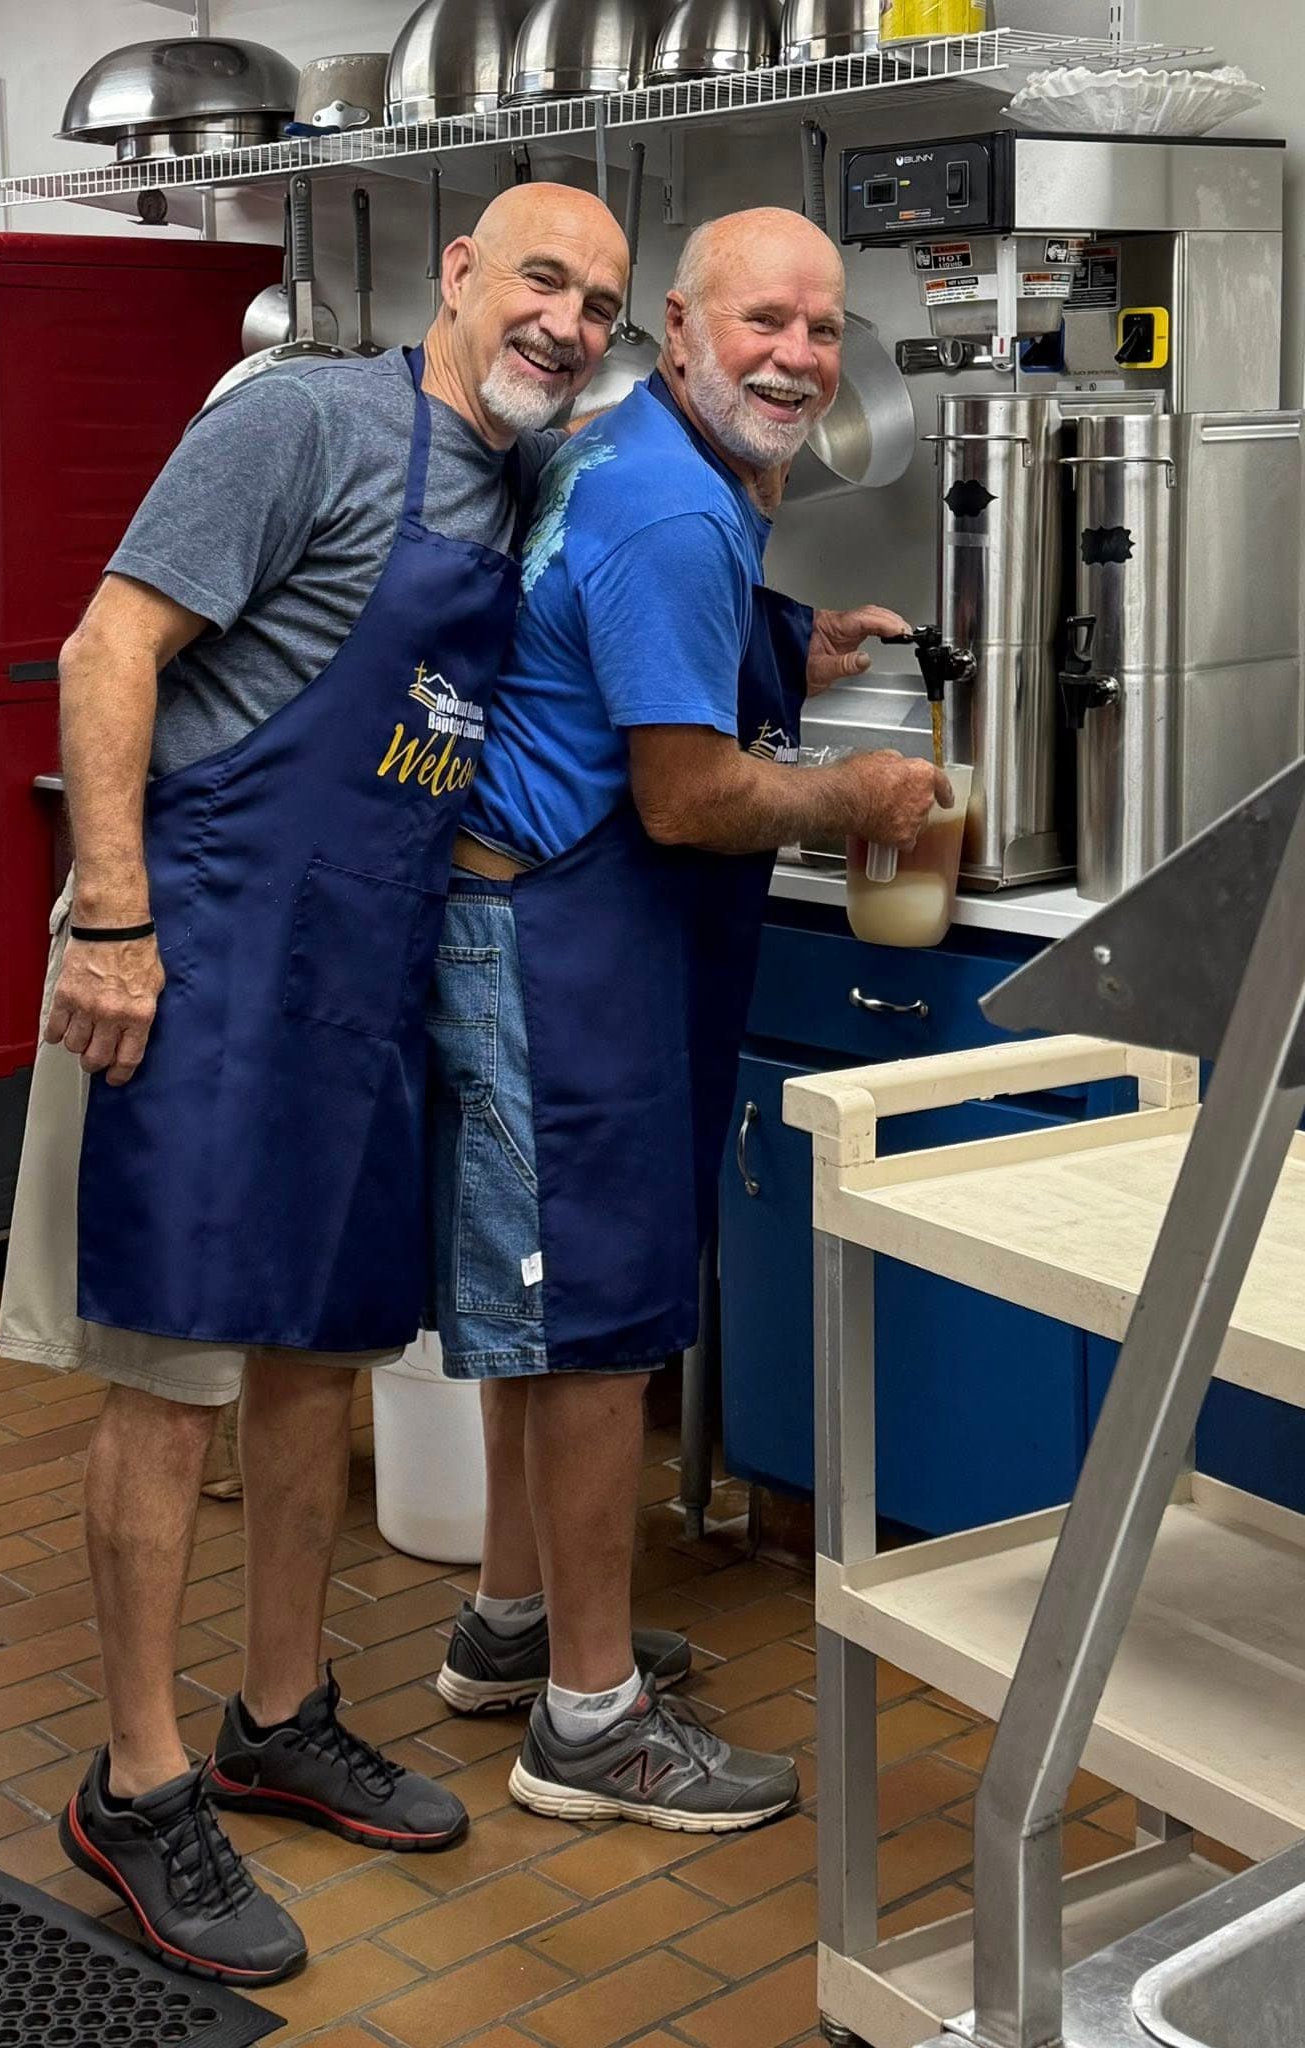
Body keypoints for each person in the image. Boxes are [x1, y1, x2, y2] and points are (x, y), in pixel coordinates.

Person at [0, 184, 631, 1986]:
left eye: (598, 301)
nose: (567, 322)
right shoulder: (302, 421)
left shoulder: (514, 485)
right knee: (171, 1374)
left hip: (363, 978)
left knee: (316, 1359)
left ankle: (280, 1714)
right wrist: (110, 917)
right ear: (456, 275)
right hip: (194, 958)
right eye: (539, 279)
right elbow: (110, 646)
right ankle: (135, 1785)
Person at [428, 207, 950, 1832]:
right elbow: (685, 791)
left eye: (821, 327)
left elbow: (610, 647)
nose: (798, 355)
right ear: (679, 327)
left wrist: (795, 636)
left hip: (536, 922)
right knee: (598, 1329)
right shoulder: (673, 505)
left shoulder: (636, 455)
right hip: (564, 939)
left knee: (548, 1301)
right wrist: (857, 785)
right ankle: (589, 1721)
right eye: (763, 325)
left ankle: (518, 1623)